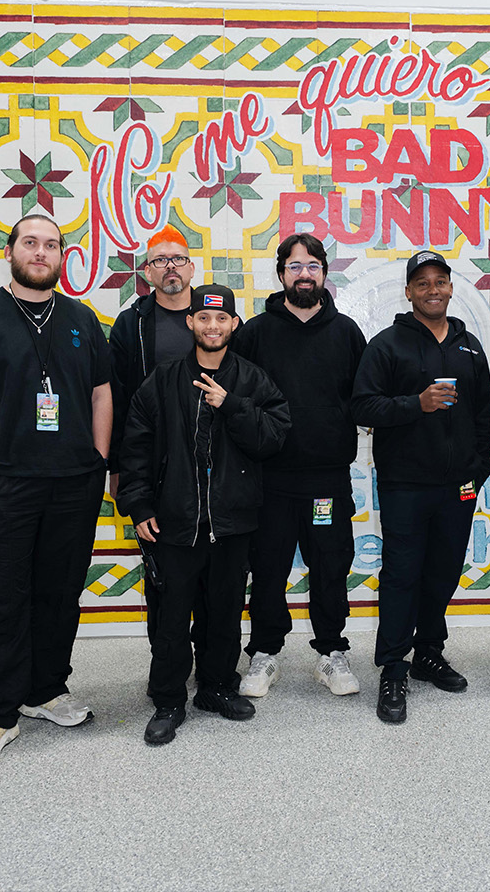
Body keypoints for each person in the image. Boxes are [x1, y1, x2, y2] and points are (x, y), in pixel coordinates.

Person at [0, 214, 113, 768]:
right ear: (10, 252)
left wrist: (98, 461)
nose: (40, 252)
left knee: (59, 593)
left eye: (51, 245)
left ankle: (45, 689)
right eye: (30, 242)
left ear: (62, 257)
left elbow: (102, 393)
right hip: (3, 483)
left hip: (73, 484)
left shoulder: (81, 318)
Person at [117, 284, 290, 746]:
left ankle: (216, 687)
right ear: (190, 322)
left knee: (225, 613)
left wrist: (231, 405)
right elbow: (134, 446)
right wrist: (138, 505)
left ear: (234, 324)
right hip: (173, 522)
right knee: (171, 617)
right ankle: (168, 699)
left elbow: (274, 437)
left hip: (232, 523)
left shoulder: (254, 380)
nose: (213, 326)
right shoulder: (163, 379)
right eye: (204, 318)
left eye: (222, 319)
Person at [352, 250, 490, 724]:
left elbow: (482, 415)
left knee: (443, 572)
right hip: (405, 485)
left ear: (451, 288)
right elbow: (363, 407)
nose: (433, 290)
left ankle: (429, 653)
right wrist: (417, 403)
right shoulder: (387, 344)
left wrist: (478, 469)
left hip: (459, 487)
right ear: (409, 291)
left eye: (440, 281)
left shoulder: (470, 346)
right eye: (423, 283)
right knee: (401, 576)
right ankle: (393, 668)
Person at [230, 234, 367, 699]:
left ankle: (332, 651)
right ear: (281, 274)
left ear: (324, 273)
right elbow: (238, 402)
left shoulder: (347, 332)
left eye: (312, 266)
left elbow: (364, 398)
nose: (304, 274)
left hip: (328, 479)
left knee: (330, 566)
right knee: (267, 569)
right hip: (270, 478)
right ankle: (264, 653)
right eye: (295, 266)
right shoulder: (254, 333)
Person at [108, 227, 199, 647]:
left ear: (191, 267)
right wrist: (118, 467)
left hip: (212, 462)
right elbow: (116, 399)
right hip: (156, 463)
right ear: (147, 272)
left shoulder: (215, 315)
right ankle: (166, 667)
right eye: (160, 260)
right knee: (163, 574)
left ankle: (215, 668)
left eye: (177, 258)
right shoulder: (132, 324)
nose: (170, 267)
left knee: (216, 574)